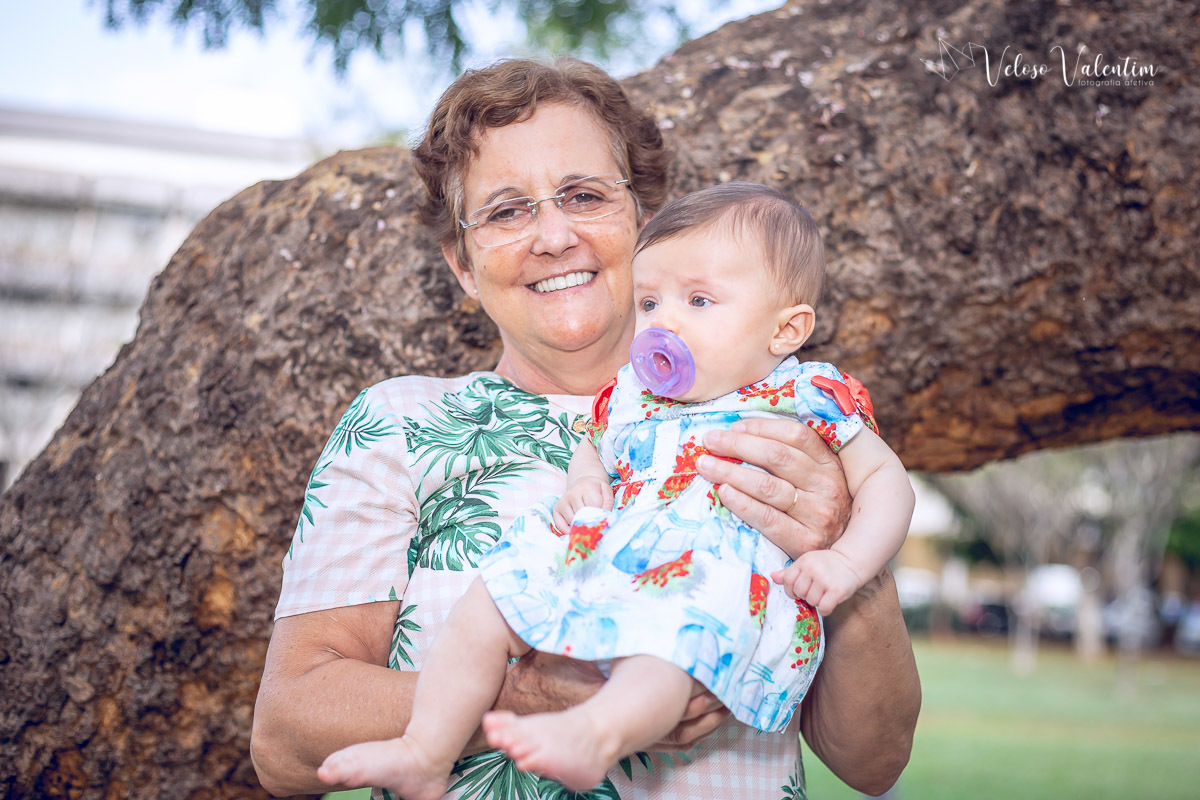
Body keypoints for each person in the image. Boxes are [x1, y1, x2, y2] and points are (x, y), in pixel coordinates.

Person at [250, 57, 921, 800]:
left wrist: (845, 544)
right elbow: (283, 739)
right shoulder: (401, 425)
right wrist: (521, 699)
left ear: (646, 223)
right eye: (508, 211)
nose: (553, 234)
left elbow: (875, 763)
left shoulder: (786, 420)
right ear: (463, 265)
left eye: (584, 194)